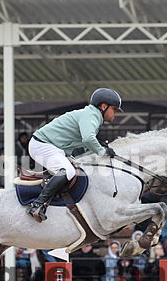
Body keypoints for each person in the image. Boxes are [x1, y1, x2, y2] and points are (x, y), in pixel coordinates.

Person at [26, 88, 121, 222]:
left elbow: (85, 140)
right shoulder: (91, 115)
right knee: (68, 171)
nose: (115, 113)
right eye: (114, 109)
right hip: (42, 145)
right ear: (103, 106)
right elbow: (88, 139)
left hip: (52, 147)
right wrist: (102, 151)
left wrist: (101, 146)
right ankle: (37, 204)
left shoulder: (91, 115)